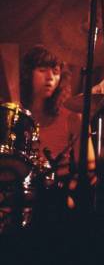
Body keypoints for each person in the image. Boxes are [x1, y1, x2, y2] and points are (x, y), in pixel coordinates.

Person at [20, 45, 95, 176]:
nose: (50, 77)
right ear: (28, 74)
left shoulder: (72, 116)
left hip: (56, 192)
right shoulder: (16, 114)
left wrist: (69, 188)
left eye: (55, 71)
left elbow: (89, 171)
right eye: (42, 70)